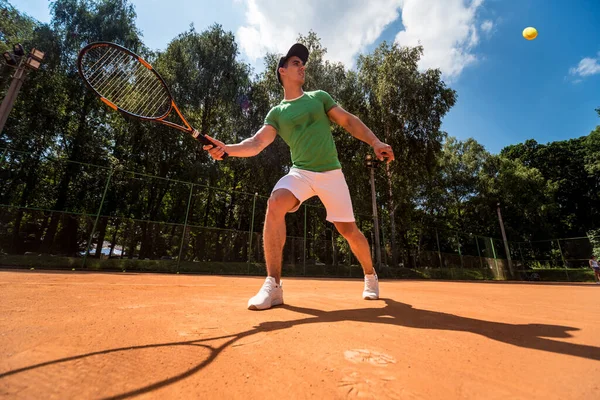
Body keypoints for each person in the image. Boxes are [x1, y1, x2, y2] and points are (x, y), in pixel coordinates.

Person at [203, 43, 395, 310]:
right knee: (276, 202)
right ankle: (274, 285)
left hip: (331, 173)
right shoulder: (277, 113)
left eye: (302, 63)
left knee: (347, 231)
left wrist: (374, 141)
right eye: (295, 63)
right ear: (282, 71)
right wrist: (227, 149)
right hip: (301, 173)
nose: (302, 66)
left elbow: (348, 121)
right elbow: (257, 143)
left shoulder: (319, 97)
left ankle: (370, 275)